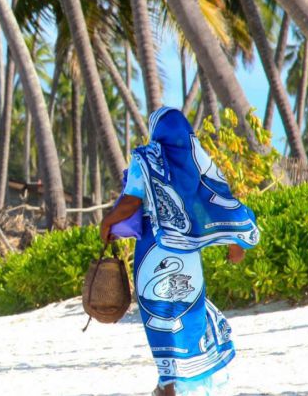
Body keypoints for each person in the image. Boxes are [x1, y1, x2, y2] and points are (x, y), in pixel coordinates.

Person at [100, 107, 260, 396]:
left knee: (160, 315)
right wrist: (237, 242)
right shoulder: (198, 164)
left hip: (153, 251)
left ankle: (170, 384)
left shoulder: (146, 159)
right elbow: (217, 202)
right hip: (186, 255)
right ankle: (176, 383)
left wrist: (107, 221)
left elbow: (130, 202)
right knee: (187, 312)